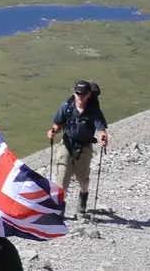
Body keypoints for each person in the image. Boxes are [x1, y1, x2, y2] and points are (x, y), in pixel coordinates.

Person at [47, 80, 110, 217]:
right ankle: (59, 211)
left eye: (83, 94)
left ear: (88, 95)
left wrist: (102, 136)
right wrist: (52, 132)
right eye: (77, 93)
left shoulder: (93, 110)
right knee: (62, 179)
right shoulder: (66, 107)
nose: (80, 96)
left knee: (83, 179)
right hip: (67, 144)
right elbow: (58, 124)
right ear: (74, 93)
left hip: (85, 147)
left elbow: (100, 129)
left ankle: (83, 199)